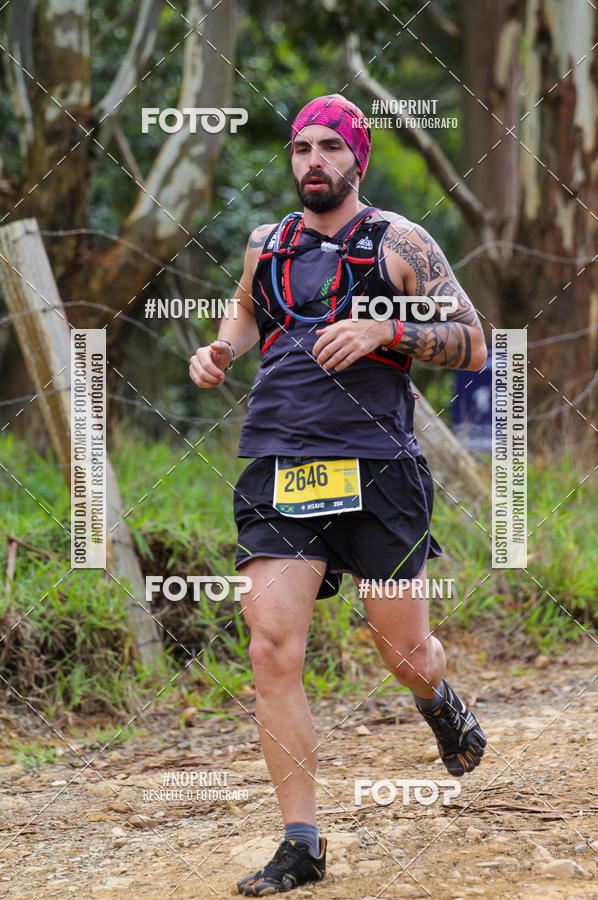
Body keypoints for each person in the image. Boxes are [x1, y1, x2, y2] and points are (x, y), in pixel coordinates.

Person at [189, 93, 488, 896]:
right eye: (301, 148)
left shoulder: (400, 242)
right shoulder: (269, 243)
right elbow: (248, 309)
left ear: (358, 156)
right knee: (271, 646)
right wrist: (221, 348)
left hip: (378, 467)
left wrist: (386, 329)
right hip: (279, 461)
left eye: (329, 146)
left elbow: (472, 343)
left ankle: (438, 698)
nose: (313, 160)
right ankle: (302, 843)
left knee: (404, 654)